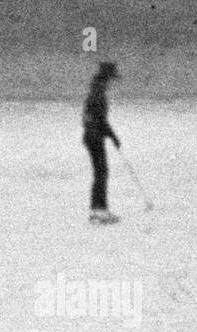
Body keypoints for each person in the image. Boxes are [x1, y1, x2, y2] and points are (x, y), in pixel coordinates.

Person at [83, 61, 122, 225]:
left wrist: (110, 135)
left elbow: (97, 119)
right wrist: (113, 136)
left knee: (100, 172)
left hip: (92, 136)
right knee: (102, 172)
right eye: (111, 79)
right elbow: (101, 120)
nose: (112, 83)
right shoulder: (98, 93)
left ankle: (97, 209)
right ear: (107, 79)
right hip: (94, 137)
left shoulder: (96, 90)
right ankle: (100, 211)